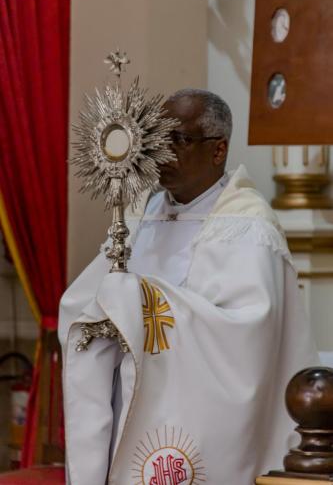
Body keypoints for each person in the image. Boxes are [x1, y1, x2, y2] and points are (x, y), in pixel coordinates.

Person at [59, 89, 318, 485]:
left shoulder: (247, 225)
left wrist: (139, 303)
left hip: (201, 421)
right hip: (130, 399)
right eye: (156, 139)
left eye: (178, 140)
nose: (162, 153)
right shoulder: (140, 214)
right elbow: (87, 300)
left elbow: (245, 337)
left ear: (218, 151)